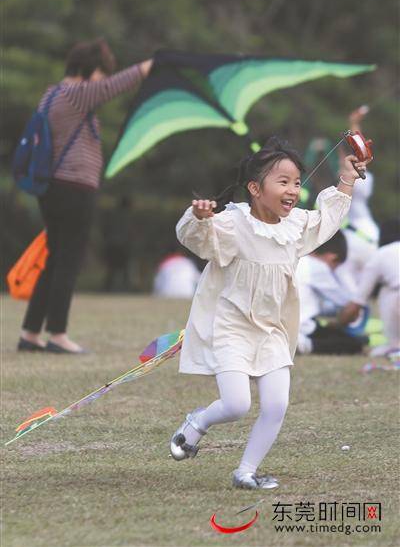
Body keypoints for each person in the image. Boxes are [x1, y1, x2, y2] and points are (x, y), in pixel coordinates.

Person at [169, 136, 369, 490]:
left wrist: (348, 177)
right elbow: (196, 239)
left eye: (295, 182)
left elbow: (328, 219)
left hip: (273, 330)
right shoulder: (233, 223)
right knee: (236, 405)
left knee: (276, 405)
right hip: (232, 327)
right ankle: (196, 423)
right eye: (283, 181)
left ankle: (245, 472)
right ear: (255, 188)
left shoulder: (296, 228)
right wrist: (200, 218)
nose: (293, 189)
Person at [17, 38, 153, 354]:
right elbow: (114, 87)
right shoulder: (75, 95)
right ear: (89, 69)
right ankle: (58, 334)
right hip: (73, 186)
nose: (103, 79)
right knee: (69, 259)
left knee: (54, 259)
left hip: (54, 187)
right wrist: (149, 67)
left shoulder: (51, 94)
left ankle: (30, 333)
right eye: (101, 72)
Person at [296, 231, 366, 355]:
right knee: (355, 343)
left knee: (333, 333)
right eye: (335, 266)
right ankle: (305, 345)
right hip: (301, 327)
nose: (333, 272)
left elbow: (316, 305)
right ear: (332, 257)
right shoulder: (317, 267)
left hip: (286, 323)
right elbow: (344, 301)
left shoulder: (297, 260)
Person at [340, 218, 400, 357]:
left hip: (396, 296)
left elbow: (358, 301)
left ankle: (395, 345)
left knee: (387, 290)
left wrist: (339, 324)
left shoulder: (381, 254)